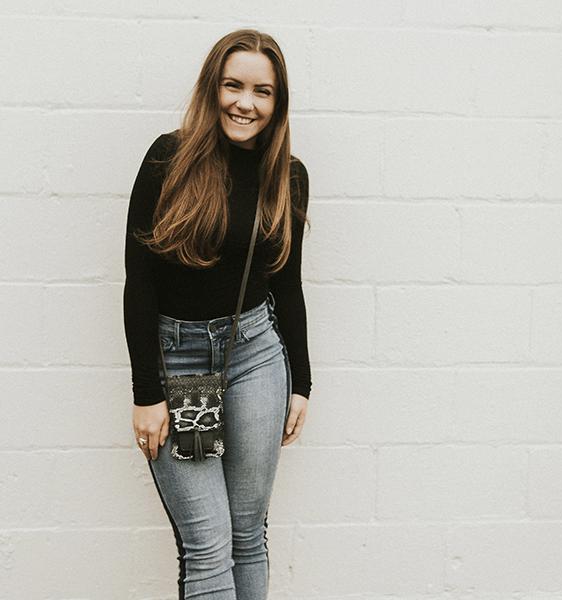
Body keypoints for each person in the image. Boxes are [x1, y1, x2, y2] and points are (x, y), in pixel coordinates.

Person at [122, 29, 312, 600]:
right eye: (233, 86)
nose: (245, 103)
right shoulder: (169, 159)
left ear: (277, 102)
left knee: (248, 534)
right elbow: (139, 281)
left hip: (256, 357)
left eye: (262, 91)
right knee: (208, 544)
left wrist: (301, 382)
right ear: (213, 88)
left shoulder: (288, 176)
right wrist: (146, 392)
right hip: (181, 366)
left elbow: (288, 284)